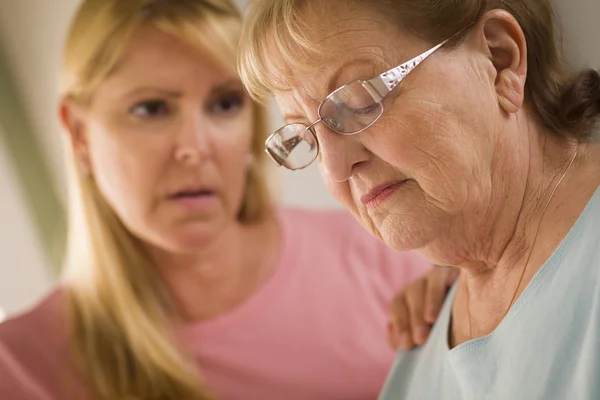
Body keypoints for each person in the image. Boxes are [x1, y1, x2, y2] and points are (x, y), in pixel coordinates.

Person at [0, 1, 459, 399]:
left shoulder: (394, 254)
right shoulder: (21, 367)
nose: (196, 147)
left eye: (224, 104)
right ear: (79, 134)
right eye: (151, 109)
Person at [239, 0, 600, 399]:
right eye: (305, 138)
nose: (337, 169)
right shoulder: (425, 326)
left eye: (360, 101)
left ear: (499, 61)